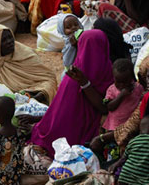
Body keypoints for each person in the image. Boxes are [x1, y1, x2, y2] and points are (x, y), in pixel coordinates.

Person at [30, 30, 115, 158]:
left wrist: (85, 83)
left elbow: (104, 108)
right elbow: (61, 115)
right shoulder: (75, 74)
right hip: (76, 135)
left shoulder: (109, 71)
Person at [0, 24, 59, 103]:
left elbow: (48, 78)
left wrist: (37, 96)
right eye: (3, 40)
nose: (9, 42)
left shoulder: (25, 53)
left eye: (10, 37)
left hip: (33, 90)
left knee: (48, 87)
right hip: (7, 100)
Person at [89, 58, 144, 162]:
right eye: (118, 81)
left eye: (125, 81)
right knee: (113, 148)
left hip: (130, 126)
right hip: (114, 126)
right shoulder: (112, 89)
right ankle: (111, 163)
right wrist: (121, 95)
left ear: (132, 78)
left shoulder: (138, 88)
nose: (122, 85)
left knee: (126, 146)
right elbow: (109, 107)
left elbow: (141, 100)